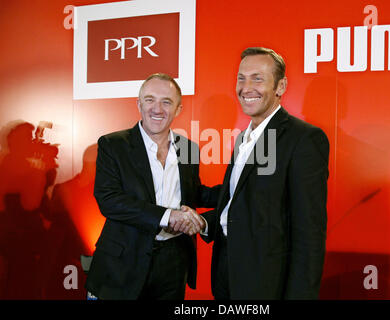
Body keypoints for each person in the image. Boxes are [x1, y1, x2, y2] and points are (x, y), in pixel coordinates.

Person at [195, 47, 330, 299]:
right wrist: (202, 222)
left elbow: (309, 233)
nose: (246, 88)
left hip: (267, 284)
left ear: (281, 86)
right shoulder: (244, 139)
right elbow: (239, 204)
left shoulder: (304, 139)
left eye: (258, 78)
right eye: (241, 78)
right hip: (226, 274)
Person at [85, 73, 219, 300]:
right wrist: (169, 216)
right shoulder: (113, 144)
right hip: (123, 263)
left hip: (173, 264)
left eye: (166, 102)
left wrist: (236, 186)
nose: (157, 109)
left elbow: (192, 192)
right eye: (150, 100)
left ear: (178, 109)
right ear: (139, 104)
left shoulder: (188, 148)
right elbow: (109, 200)